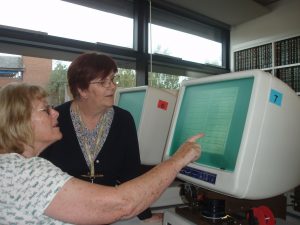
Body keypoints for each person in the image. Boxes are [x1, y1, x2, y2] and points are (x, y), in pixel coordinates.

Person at [0, 82, 203, 225]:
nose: (56, 113)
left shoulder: (10, 168)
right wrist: (178, 159)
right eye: (46, 110)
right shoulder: (24, 172)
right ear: (20, 121)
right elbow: (122, 204)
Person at [39, 52, 156, 221]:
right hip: (63, 215)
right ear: (82, 89)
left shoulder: (123, 120)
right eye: (103, 82)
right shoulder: (56, 119)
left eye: (112, 79)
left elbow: (130, 175)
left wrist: (146, 218)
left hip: (108, 213)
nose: (113, 86)